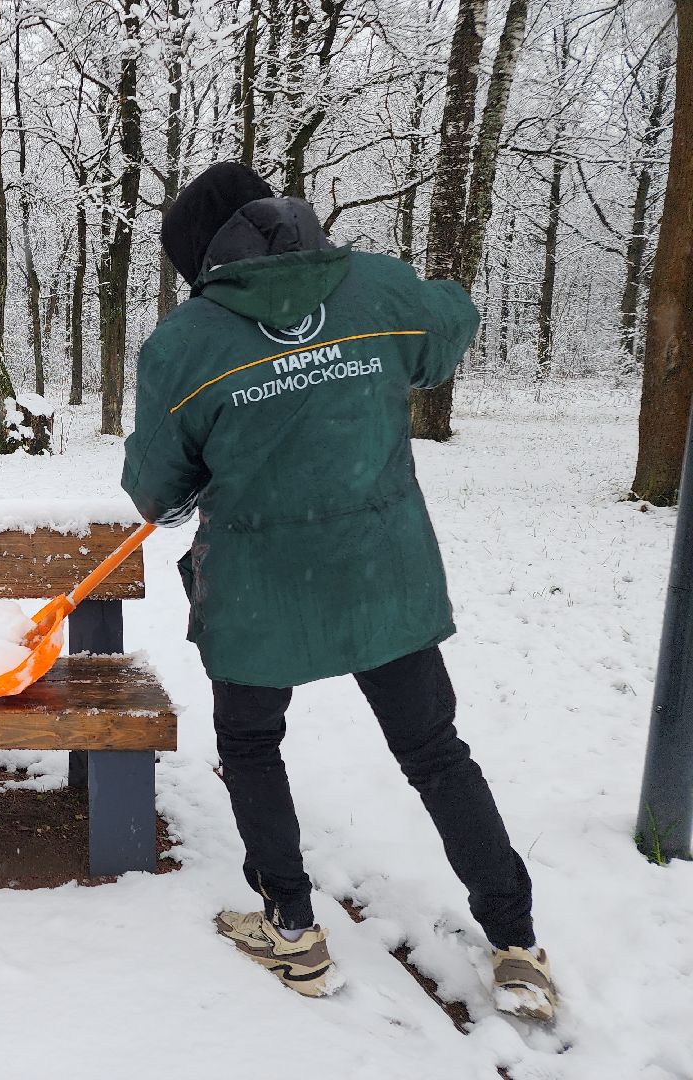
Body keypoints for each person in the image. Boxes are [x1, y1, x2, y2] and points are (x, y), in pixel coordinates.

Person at [121, 162, 556, 1022]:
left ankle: (293, 933)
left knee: (251, 749)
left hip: (258, 596)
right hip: (380, 579)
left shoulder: (186, 343)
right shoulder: (378, 289)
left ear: (203, 257)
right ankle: (517, 947)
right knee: (435, 753)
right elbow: (447, 326)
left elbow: (159, 493)